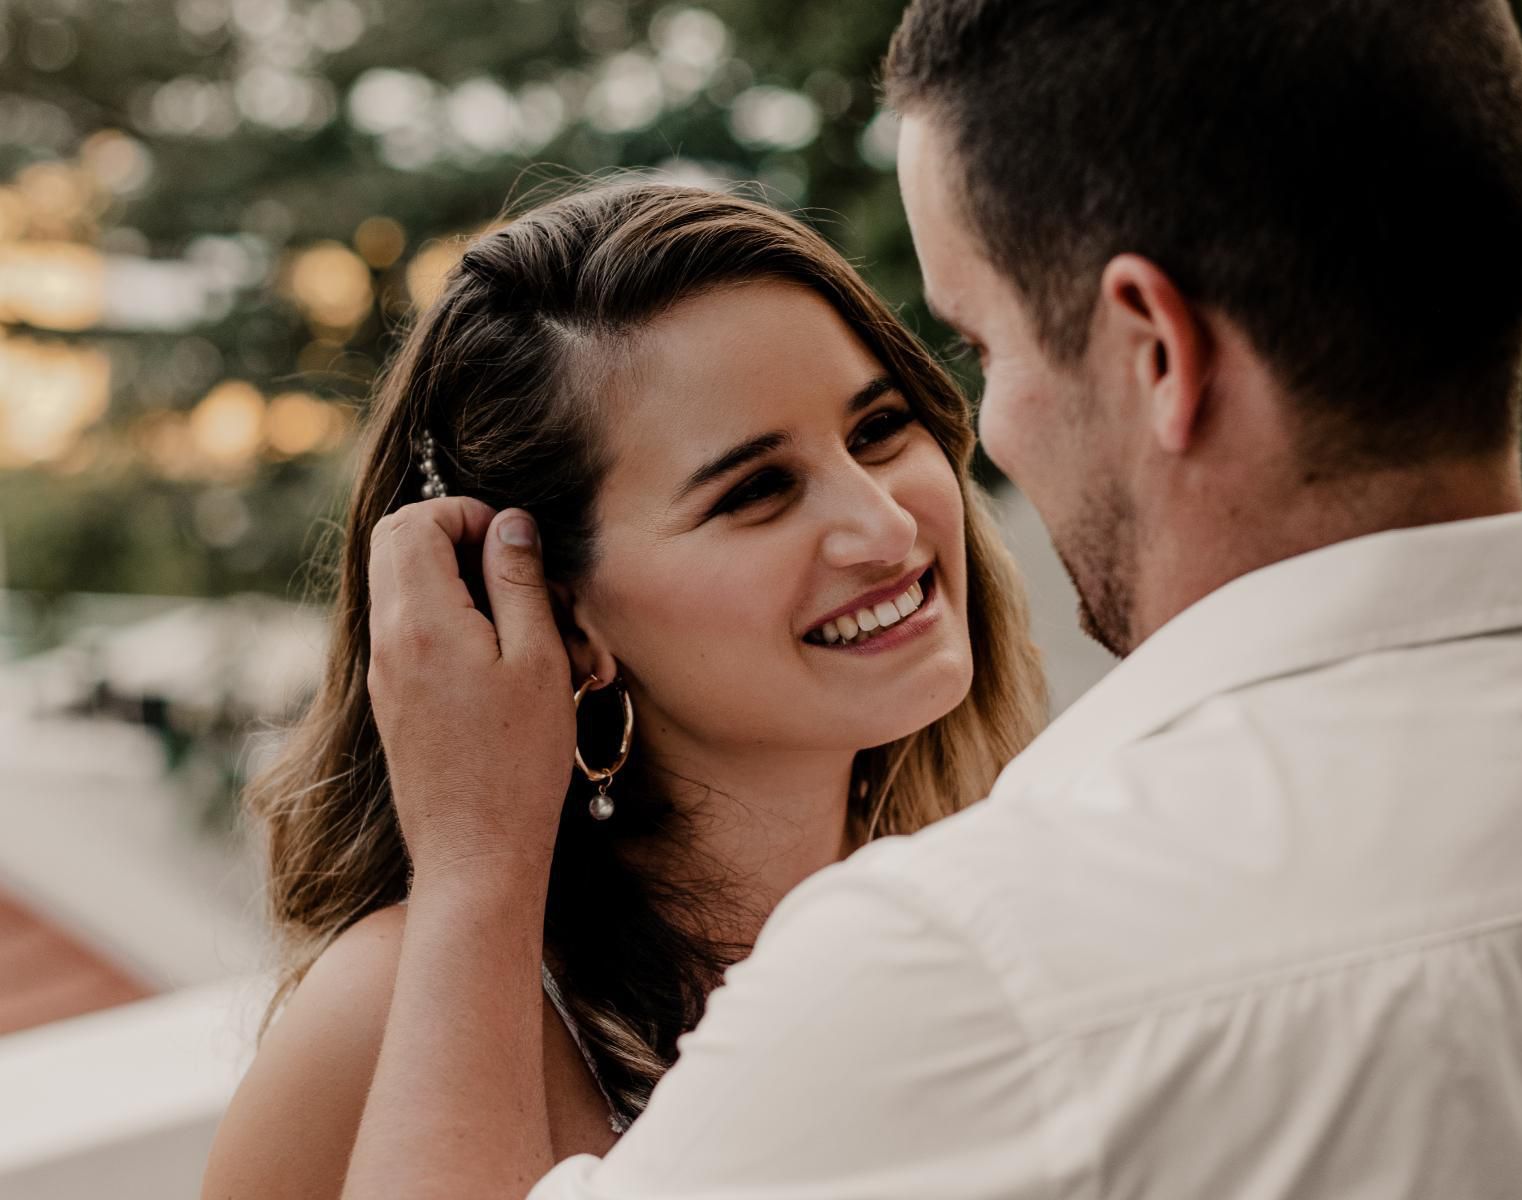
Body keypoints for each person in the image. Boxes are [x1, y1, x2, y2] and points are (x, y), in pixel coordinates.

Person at [345, 1, 1522, 1197]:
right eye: (752, 491)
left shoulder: (968, 968)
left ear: (1155, 352)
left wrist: (476, 866)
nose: (899, 513)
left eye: (982, 351)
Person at [200, 183, 1048, 1200]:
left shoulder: (1008, 881)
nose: (886, 527)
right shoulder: (386, 1012)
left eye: (876, 430)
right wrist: (477, 869)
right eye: (755, 492)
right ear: (553, 614)